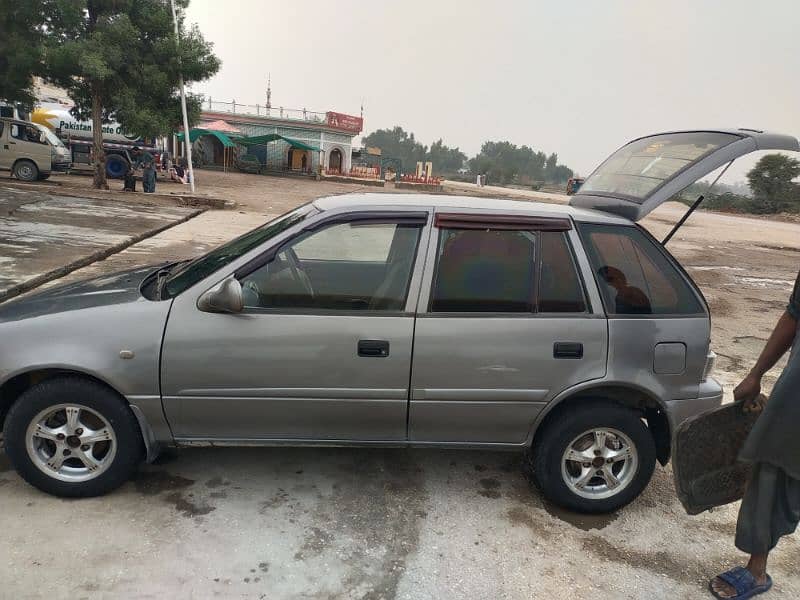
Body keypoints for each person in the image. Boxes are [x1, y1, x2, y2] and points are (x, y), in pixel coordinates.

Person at [710, 267, 800, 599]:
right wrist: (755, 374)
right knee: (770, 474)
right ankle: (756, 570)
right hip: (796, 397)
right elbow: (794, 315)